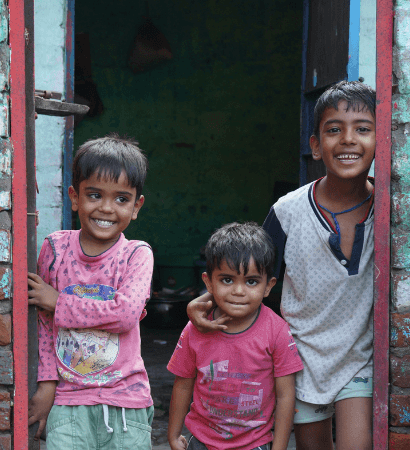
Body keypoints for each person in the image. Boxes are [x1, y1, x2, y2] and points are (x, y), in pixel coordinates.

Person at [188, 80, 377, 450]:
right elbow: (252, 272)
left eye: (363, 129)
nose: (348, 140)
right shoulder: (288, 211)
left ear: (380, 139)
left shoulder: (389, 209)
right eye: (334, 130)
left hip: (360, 356)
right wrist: (206, 300)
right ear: (315, 147)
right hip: (298, 355)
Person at [27, 134, 155, 450]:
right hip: (68, 400)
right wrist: (46, 385)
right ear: (74, 197)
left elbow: (124, 315)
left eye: (121, 199)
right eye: (94, 195)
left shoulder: (137, 255)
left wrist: (59, 302)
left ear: (137, 206)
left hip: (126, 402)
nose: (107, 208)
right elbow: (43, 323)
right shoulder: (54, 248)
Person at [168, 222, 304, 450]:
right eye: (227, 280)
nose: (238, 291)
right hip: (201, 442)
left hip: (255, 444)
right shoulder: (196, 329)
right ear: (208, 282)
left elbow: (286, 396)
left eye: (251, 281)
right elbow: (182, 385)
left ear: (268, 286)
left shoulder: (277, 331)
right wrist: (173, 434)